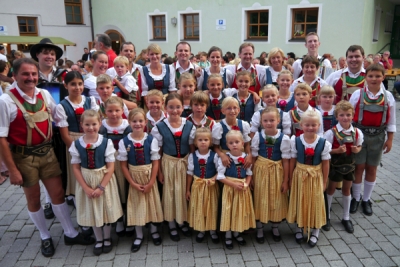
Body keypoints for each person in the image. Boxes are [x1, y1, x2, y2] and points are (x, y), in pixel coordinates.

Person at [0, 58, 95, 257]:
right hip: (23, 157)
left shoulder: (43, 94)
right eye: (25, 74)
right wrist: (12, 170)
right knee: (33, 198)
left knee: (58, 193)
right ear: (14, 75)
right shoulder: (5, 101)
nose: (31, 78)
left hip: (47, 151)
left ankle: (70, 232)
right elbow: (1, 138)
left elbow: (59, 117)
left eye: (33, 74)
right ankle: (44, 235)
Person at [69, 109, 123, 256]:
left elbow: (111, 167)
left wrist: (101, 187)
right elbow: (75, 168)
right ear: (81, 125)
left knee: (105, 210)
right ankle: (98, 239)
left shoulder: (106, 142)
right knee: (93, 211)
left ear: (100, 124)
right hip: (86, 180)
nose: (91, 127)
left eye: (94, 124)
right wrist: (85, 188)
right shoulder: (76, 144)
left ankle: (107, 238)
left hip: (103, 180)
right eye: (87, 124)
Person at [349, 64, 396, 216]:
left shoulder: (388, 96)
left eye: (377, 76)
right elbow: (349, 117)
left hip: (378, 136)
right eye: (371, 76)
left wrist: (390, 140)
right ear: (366, 77)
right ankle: (356, 197)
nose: (374, 79)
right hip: (359, 135)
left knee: (372, 168)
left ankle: (366, 199)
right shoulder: (358, 94)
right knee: (359, 168)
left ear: (383, 77)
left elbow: (392, 121)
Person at [151, 93, 196, 241]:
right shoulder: (159, 127)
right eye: (171, 107)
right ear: (165, 108)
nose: (175, 110)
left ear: (183, 108)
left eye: (178, 107)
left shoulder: (189, 125)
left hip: (184, 162)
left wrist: (192, 165)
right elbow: (158, 151)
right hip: (168, 163)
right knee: (170, 193)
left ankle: (182, 221)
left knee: (183, 192)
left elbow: (191, 148)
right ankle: (171, 224)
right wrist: (159, 173)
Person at [118, 108, 163, 252]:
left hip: (149, 176)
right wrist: (132, 183)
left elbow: (156, 162)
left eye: (140, 121)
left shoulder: (151, 139)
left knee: (152, 204)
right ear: (129, 122)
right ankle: (138, 235)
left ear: (145, 122)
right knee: (136, 206)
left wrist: (151, 182)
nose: (137, 124)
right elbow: (123, 165)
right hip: (134, 177)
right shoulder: (124, 141)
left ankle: (154, 231)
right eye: (134, 121)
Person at [54, 71, 99, 208]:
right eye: (73, 84)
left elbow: (97, 121)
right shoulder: (62, 106)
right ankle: (79, 203)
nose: (77, 87)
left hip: (92, 138)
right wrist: (77, 150)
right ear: (65, 85)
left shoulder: (90, 100)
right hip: (73, 142)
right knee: (77, 174)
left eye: (80, 84)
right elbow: (64, 134)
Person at [287, 110, 332, 247]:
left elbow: (325, 164)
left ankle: (315, 229)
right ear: (301, 125)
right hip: (300, 175)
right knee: (300, 200)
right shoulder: (295, 141)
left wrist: (324, 181)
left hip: (315, 176)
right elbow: (292, 160)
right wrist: (289, 178)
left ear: (318, 125)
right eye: (307, 125)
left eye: (314, 125)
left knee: (315, 201)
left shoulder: (324, 143)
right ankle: (299, 227)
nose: (310, 127)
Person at [251, 107, 291, 243]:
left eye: (272, 120)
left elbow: (286, 161)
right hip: (261, 171)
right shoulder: (258, 136)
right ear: (261, 122)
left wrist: (286, 181)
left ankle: (275, 227)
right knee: (260, 197)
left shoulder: (284, 138)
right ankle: (260, 228)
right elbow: (254, 157)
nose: (269, 123)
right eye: (265, 120)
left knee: (276, 198)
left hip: (277, 172)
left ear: (278, 121)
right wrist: (251, 176)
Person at [323, 101, 363, 234]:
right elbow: (325, 151)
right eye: (342, 115)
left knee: (347, 190)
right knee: (331, 189)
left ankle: (346, 217)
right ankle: (327, 216)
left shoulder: (357, 132)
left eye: (348, 115)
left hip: (350, 165)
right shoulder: (330, 133)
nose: (345, 118)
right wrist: (336, 151)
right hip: (335, 165)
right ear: (337, 116)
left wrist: (357, 150)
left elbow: (359, 146)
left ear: (353, 116)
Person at [99, 96, 132, 236]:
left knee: (125, 189)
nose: (114, 114)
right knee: (114, 189)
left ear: (122, 110)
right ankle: (118, 220)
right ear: (105, 111)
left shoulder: (126, 125)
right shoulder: (103, 126)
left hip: (124, 161)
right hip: (109, 161)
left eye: (117, 110)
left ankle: (129, 218)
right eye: (110, 111)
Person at [217, 130, 255, 249]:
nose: (234, 145)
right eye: (231, 142)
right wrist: (233, 185)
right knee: (229, 211)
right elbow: (220, 176)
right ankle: (228, 235)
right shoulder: (225, 159)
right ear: (227, 145)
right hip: (230, 189)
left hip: (242, 188)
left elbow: (249, 173)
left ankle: (237, 233)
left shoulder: (246, 158)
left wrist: (247, 184)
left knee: (239, 211)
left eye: (237, 142)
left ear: (242, 143)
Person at [186, 127, 220, 244]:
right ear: (195, 142)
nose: (203, 142)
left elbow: (220, 171)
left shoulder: (214, 156)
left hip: (210, 186)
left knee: (211, 207)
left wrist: (214, 179)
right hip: (198, 186)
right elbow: (190, 173)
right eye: (200, 140)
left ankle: (212, 230)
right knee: (199, 207)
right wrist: (188, 190)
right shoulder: (192, 156)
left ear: (210, 142)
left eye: (206, 140)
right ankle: (201, 229)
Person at [212, 97, 252, 170]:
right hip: (226, 158)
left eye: (235, 108)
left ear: (239, 110)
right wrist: (222, 155)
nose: (232, 111)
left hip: (240, 156)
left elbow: (246, 144)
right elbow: (215, 147)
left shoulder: (244, 124)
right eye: (229, 108)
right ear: (223, 111)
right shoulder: (219, 127)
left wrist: (249, 155)